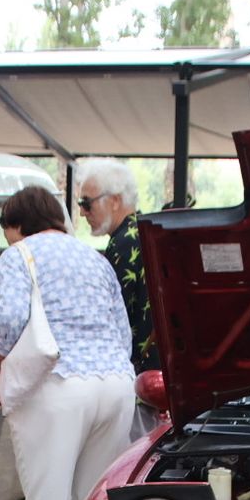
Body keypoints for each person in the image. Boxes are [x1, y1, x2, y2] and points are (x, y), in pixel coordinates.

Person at [0, 186, 135, 500]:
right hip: (114, 384)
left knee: (48, 499)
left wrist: (0, 351)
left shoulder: (20, 256)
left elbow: (8, 322)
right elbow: (122, 328)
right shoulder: (96, 258)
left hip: (57, 387)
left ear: (17, 224)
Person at [75, 158, 157, 373]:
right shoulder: (145, 231)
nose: (82, 212)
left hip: (139, 373)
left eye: (86, 203)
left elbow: (112, 315)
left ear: (114, 200)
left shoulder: (124, 243)